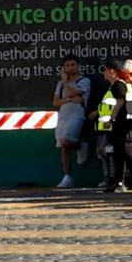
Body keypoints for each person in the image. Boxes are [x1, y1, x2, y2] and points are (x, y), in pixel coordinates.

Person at [95, 59, 132, 192]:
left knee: (117, 152)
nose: (103, 73)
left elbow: (120, 101)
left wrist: (112, 118)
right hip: (121, 123)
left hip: (119, 123)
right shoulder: (120, 85)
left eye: (105, 70)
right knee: (118, 152)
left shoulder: (118, 85)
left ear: (112, 71)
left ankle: (120, 182)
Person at [51, 54, 91, 187]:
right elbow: (56, 101)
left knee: (66, 140)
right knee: (63, 146)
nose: (70, 68)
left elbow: (81, 98)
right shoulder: (60, 84)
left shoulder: (85, 81)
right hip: (63, 116)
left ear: (78, 66)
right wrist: (69, 98)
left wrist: (67, 84)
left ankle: (80, 145)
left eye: (73, 65)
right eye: (67, 65)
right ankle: (67, 176)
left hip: (77, 115)